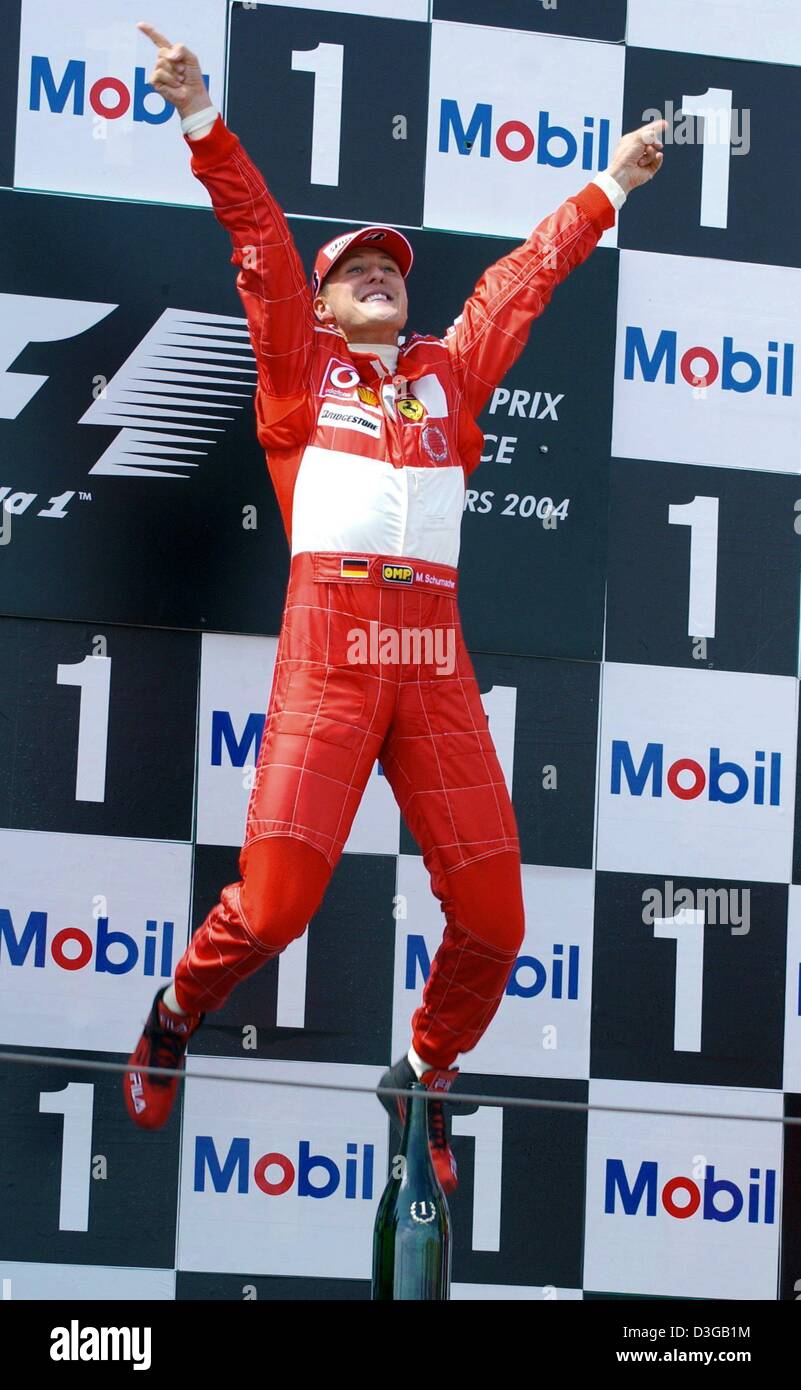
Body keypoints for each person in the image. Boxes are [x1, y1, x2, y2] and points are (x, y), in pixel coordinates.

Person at [124, 21, 665, 1193]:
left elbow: (519, 282)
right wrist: (203, 120)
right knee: (272, 910)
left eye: (394, 271)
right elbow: (261, 241)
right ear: (324, 307)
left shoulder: (445, 377)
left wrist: (610, 183)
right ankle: (173, 1012)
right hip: (330, 656)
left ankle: (422, 1074)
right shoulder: (295, 373)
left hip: (431, 659)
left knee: (497, 917)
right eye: (360, 270)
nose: (383, 276)